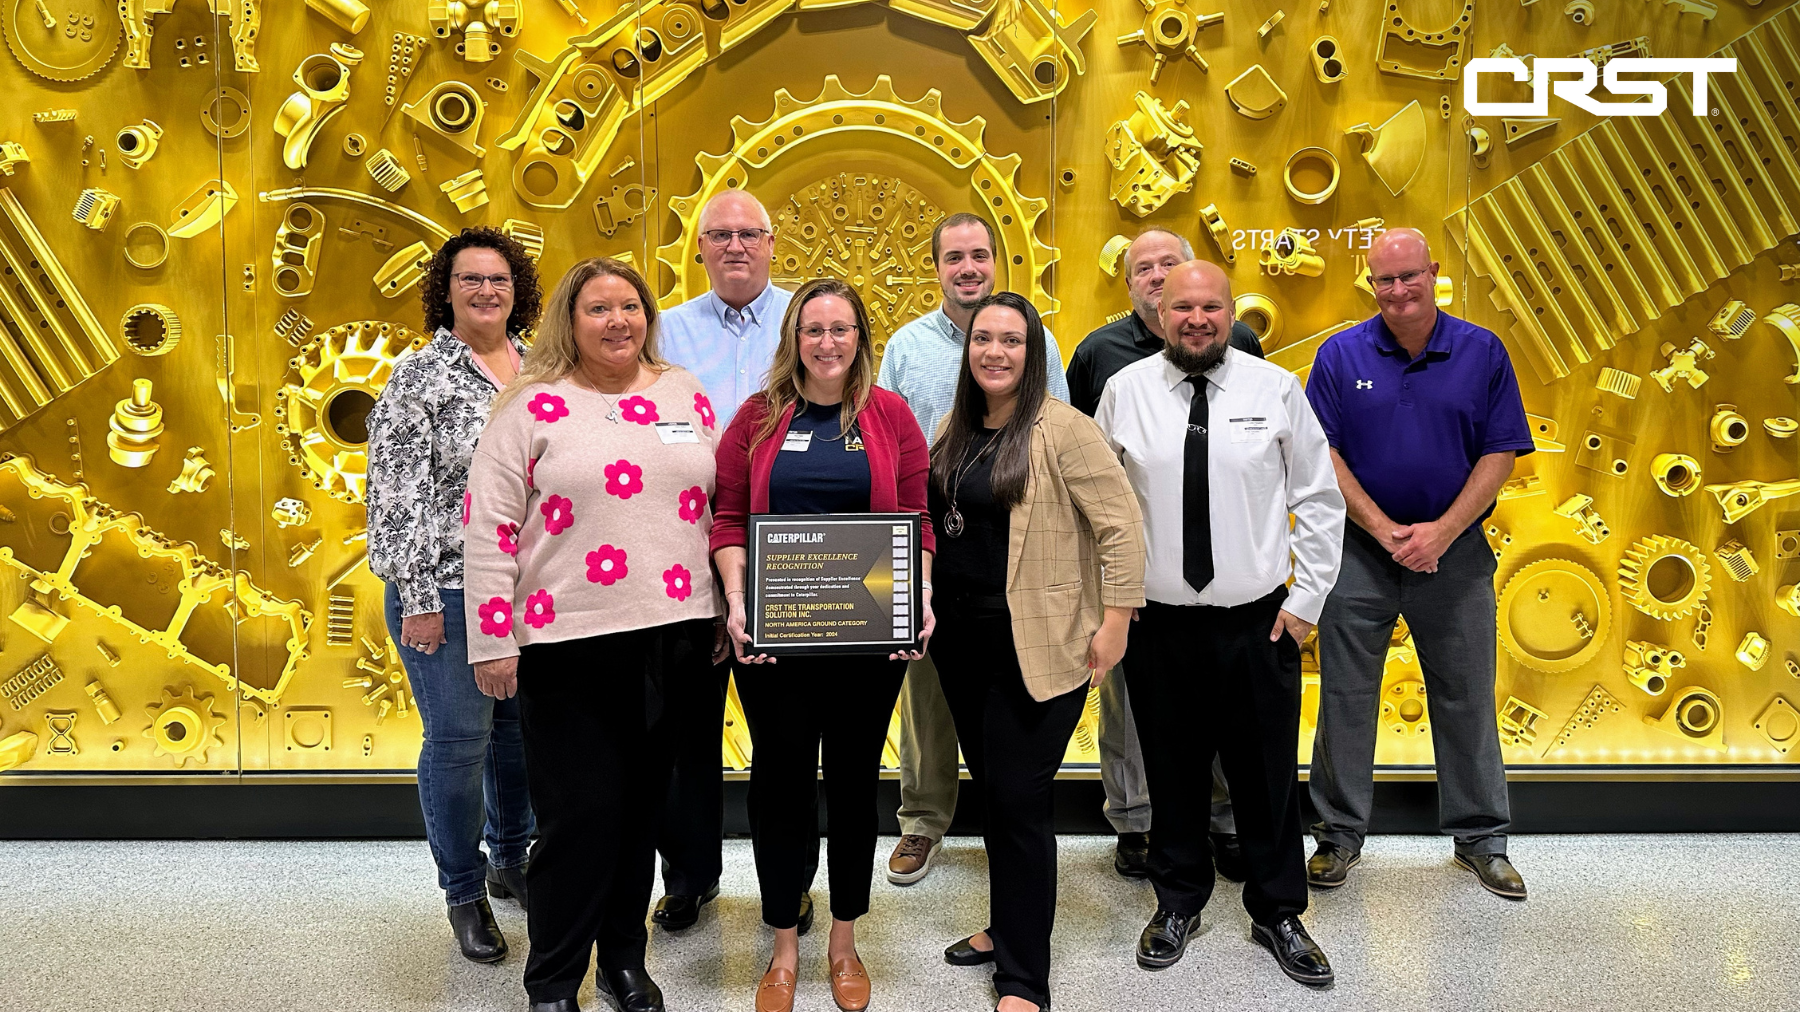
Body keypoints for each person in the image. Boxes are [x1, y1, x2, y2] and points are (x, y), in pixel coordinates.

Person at [463, 257, 724, 1012]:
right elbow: (488, 529)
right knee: (579, 819)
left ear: (648, 315)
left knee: (643, 812)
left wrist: (718, 610)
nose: (618, 321)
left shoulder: (683, 392)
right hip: (568, 642)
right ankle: (552, 979)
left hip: (674, 636)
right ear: (569, 323)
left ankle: (622, 962)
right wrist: (492, 640)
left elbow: (707, 511)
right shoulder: (531, 406)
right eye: (599, 309)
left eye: (630, 307)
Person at [1096, 261, 1344, 987]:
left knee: (1265, 777)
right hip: (1158, 623)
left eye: (1210, 307)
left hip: (1258, 625)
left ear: (1231, 312)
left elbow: (1320, 499)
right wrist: (1116, 596)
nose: (1196, 319)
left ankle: (1278, 911)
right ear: (1157, 313)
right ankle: (1177, 901)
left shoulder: (1276, 390)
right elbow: (1102, 508)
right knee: (1168, 772)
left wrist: (1305, 604)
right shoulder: (1126, 392)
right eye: (1182, 307)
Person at [711, 278, 935, 1012]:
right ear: (793, 339)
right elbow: (730, 519)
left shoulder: (890, 415)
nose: (827, 343)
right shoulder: (756, 416)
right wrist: (740, 606)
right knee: (779, 790)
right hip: (776, 647)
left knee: (850, 788)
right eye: (814, 330)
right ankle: (782, 945)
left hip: (868, 650)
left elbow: (916, 518)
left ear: (861, 338)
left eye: (841, 329)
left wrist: (918, 600)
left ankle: (843, 941)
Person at [1303, 227, 1536, 900]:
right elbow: (1322, 454)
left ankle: (1482, 841)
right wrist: (1382, 530)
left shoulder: (1481, 351)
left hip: (1456, 554)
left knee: (1466, 694)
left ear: (1434, 272)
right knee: (1345, 696)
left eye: (1410, 275)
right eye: (1385, 280)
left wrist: (1441, 531)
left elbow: (1500, 451)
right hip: (1359, 553)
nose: (1398, 290)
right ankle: (1338, 838)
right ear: (1369, 285)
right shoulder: (1341, 355)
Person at [930, 292, 1145, 1012]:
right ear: (967, 351)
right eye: (983, 339)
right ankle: (1006, 925)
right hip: (961, 649)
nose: (995, 352)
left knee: (1020, 805)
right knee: (996, 798)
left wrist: (1116, 621)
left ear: (1035, 353)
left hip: (1041, 649)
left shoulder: (1065, 430)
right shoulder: (951, 430)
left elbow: (1121, 530)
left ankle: (1025, 978)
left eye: (1012, 341)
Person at [1064, 226, 1265, 881]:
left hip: (1224, 561)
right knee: (1127, 704)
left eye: (1168, 264)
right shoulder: (1099, 355)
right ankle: (1135, 821)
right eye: (1143, 269)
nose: (1157, 276)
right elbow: (1082, 463)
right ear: (1128, 286)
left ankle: (1224, 820)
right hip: (1135, 568)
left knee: (1225, 701)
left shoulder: (1241, 344)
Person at [875, 212, 1069, 886]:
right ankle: (922, 821)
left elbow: (1062, 443)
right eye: (954, 256)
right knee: (927, 695)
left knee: (1011, 703)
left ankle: (1007, 828)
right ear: (936, 268)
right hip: (932, 551)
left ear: (997, 262)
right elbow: (886, 448)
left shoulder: (1033, 338)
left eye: (979, 255)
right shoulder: (905, 346)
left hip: (1015, 554)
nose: (967, 267)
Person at [366, 226, 540, 966]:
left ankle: (511, 860)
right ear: (446, 290)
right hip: (446, 588)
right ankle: (463, 891)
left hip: (532, 589)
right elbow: (394, 496)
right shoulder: (420, 378)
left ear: (517, 291)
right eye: (469, 280)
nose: (485, 292)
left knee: (518, 738)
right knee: (461, 744)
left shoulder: (539, 369)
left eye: (497, 280)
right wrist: (420, 599)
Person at [651, 189, 802, 933]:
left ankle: (789, 879)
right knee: (684, 731)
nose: (735, 246)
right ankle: (689, 878)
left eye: (750, 233)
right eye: (720, 235)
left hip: (790, 559)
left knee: (783, 735)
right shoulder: (662, 332)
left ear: (773, 244)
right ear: (700, 248)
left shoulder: (808, 322)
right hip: (683, 550)